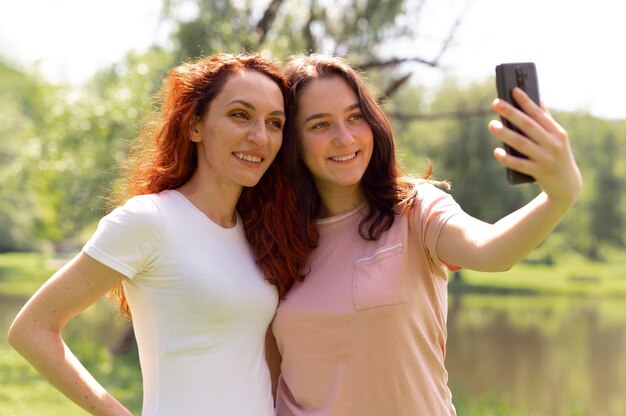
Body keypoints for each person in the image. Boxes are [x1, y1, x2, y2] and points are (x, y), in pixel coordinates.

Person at [270, 53, 582, 415]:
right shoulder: (273, 236)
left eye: (355, 117)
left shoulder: (413, 209)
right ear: (292, 141)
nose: (344, 137)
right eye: (320, 124)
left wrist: (559, 196)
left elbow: (492, 250)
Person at [8, 52, 308, 416]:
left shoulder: (257, 233)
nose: (260, 137)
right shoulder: (150, 220)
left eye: (274, 123)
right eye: (239, 115)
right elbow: (31, 329)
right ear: (195, 125)